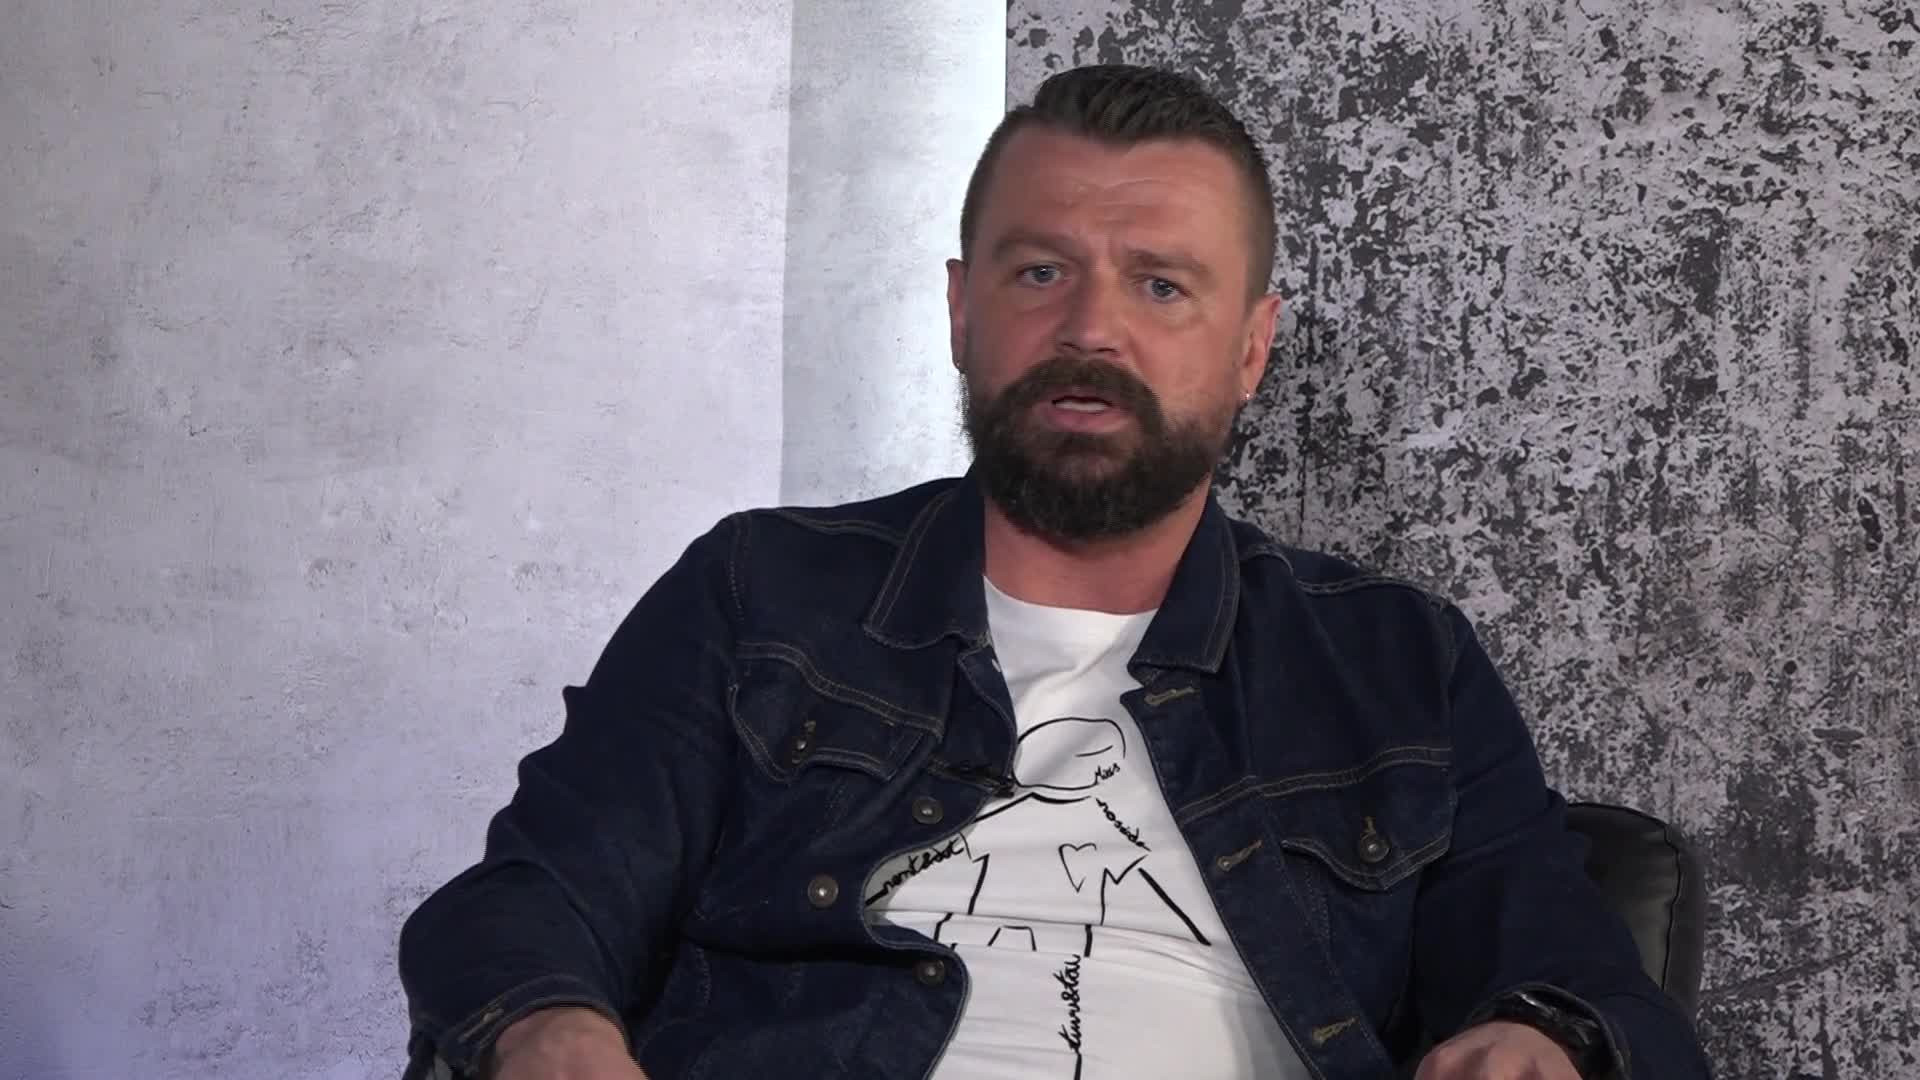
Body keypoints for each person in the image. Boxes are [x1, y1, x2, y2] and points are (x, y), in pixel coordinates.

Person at [398, 64, 1711, 1080]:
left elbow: (1581, 978)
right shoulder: (761, 592)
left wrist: (1543, 1039)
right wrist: (550, 1029)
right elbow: (539, 895)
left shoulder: (1396, 660)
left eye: (1162, 286)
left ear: (1252, 348)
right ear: (962, 310)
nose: (1091, 328)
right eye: (1042, 271)